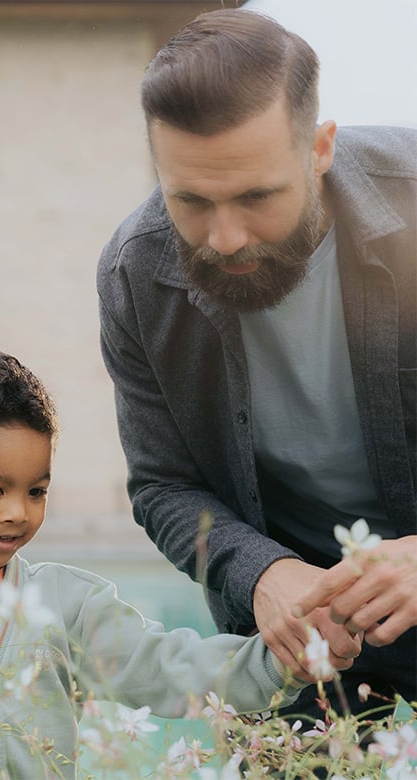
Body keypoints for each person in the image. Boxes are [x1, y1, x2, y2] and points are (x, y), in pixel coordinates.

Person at [97, 8, 416, 720]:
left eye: (255, 196)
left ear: (321, 148)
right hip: (297, 623)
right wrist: (263, 573)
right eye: (190, 200)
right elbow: (164, 485)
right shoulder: (133, 273)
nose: (225, 236)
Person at [0, 348, 310, 780]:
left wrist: (284, 659)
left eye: (37, 491)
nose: (18, 512)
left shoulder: (67, 604)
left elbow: (170, 668)